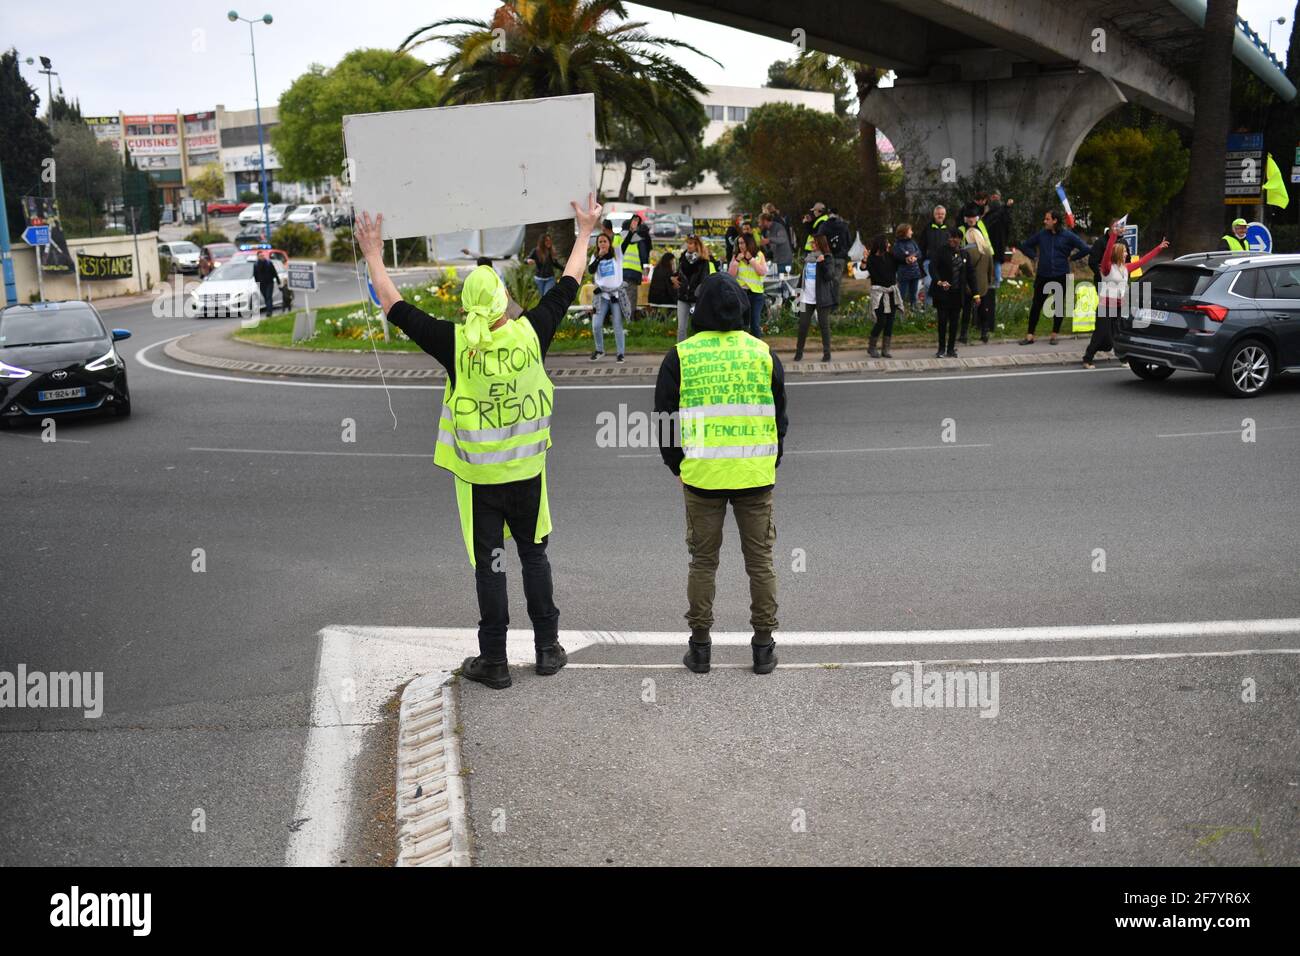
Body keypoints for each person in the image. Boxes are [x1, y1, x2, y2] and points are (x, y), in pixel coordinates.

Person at [353, 195, 602, 690]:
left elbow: (395, 307)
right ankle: (548, 649)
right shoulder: (533, 332)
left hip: (479, 481)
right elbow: (570, 283)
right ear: (504, 300)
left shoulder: (452, 344)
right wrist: (585, 229)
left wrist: (374, 253)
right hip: (527, 476)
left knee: (491, 565)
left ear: (468, 305)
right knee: (534, 556)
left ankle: (494, 661)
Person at [654, 271, 789, 676]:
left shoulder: (681, 355)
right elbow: (780, 417)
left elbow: (665, 418)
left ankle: (700, 650)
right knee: (760, 562)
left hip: (703, 477)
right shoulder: (763, 353)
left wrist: (675, 464)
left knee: (702, 562)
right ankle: (763, 649)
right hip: (755, 474)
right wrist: (770, 459)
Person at [1084, 222, 1169, 368]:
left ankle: (1123, 358)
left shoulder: (1126, 268)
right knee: (1101, 334)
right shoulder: (1106, 268)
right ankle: (1088, 358)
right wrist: (1114, 236)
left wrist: (1158, 248)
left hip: (1120, 305)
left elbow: (1143, 260)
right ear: (1117, 253)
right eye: (1124, 252)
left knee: (1119, 333)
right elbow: (1106, 254)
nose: (1126, 254)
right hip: (1106, 305)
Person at [1016, 209, 1091, 345]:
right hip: (1043, 275)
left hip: (1060, 275)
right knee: (1036, 305)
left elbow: (1085, 248)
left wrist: (1072, 257)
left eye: (1047, 219)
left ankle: (1054, 334)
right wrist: (1034, 256)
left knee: (1058, 306)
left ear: (1055, 221)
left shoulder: (1068, 236)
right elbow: (1025, 245)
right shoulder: (1042, 235)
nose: (1045, 221)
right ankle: (1030, 335)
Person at [929, 228, 975, 358]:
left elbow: (971, 275)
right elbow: (932, 267)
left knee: (954, 322)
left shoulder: (964, 254)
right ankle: (941, 348)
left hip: (957, 294)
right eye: (950, 237)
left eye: (955, 237)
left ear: (960, 240)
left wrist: (976, 294)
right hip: (942, 293)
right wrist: (939, 281)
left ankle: (951, 349)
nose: (952, 240)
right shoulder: (941, 251)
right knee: (942, 322)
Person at [794, 235, 836, 362]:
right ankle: (799, 352)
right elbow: (803, 277)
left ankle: (827, 353)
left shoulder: (828, 258)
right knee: (803, 325)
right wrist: (797, 293)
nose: (812, 245)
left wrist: (822, 262)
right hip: (806, 297)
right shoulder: (809, 258)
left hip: (822, 298)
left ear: (820, 244)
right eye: (811, 243)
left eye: (814, 243)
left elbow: (829, 276)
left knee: (824, 326)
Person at [588, 232, 626, 362]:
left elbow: (622, 240)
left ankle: (620, 353)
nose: (602, 244)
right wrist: (599, 257)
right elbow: (591, 270)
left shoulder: (617, 256)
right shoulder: (595, 257)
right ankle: (599, 350)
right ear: (598, 245)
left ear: (609, 243)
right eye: (600, 242)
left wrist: (629, 230)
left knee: (617, 325)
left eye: (605, 241)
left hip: (615, 296)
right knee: (596, 324)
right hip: (601, 296)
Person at [960, 213, 995, 345]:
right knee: (983, 309)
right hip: (983, 285)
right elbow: (990, 269)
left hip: (969, 286)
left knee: (967, 310)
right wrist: (987, 281)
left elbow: (963, 270)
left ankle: (964, 334)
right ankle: (984, 332)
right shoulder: (986, 251)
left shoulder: (965, 252)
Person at [863, 235, 899, 358]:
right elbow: (863, 268)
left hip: (891, 291)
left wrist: (909, 259)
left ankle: (886, 348)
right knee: (881, 320)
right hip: (879, 293)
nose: (889, 245)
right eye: (887, 243)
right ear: (881, 244)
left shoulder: (891, 257)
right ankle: (871, 346)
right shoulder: (872, 259)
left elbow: (901, 261)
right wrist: (864, 259)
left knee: (890, 321)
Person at [675, 235, 716, 342]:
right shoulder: (682, 258)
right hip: (683, 297)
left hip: (696, 298)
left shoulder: (703, 261)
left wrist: (699, 294)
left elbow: (704, 280)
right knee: (681, 328)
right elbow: (678, 274)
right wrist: (673, 278)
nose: (688, 245)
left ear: (697, 245)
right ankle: (680, 351)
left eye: (691, 243)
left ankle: (699, 348)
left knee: (699, 326)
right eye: (687, 243)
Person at [729, 232, 768, 337]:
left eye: (743, 243)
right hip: (741, 294)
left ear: (749, 243)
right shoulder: (736, 256)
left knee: (755, 323)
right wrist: (737, 260)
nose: (740, 246)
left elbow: (763, 272)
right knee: (742, 324)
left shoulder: (759, 255)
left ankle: (757, 349)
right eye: (739, 243)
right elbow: (730, 275)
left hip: (756, 295)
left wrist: (751, 259)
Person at [982, 191, 1014, 285]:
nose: (994, 199)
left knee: (995, 262)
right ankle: (994, 283)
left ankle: (995, 284)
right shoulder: (998, 210)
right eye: (993, 197)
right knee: (993, 262)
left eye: (996, 197)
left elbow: (1007, 224)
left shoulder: (999, 211)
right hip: (994, 240)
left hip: (997, 240)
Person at [920, 205, 949, 305]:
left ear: (945, 215)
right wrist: (921, 264)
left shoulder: (949, 229)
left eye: (942, 214)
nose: (940, 216)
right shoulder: (927, 228)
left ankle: (941, 310)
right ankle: (929, 312)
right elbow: (921, 246)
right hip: (929, 262)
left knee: (944, 286)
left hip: (945, 263)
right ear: (934, 215)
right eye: (938, 214)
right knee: (928, 284)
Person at [892, 223, 923, 312]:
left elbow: (919, 253)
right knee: (901, 295)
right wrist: (906, 259)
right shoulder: (897, 244)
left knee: (913, 295)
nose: (912, 232)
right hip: (904, 274)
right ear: (904, 232)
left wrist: (914, 257)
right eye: (910, 230)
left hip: (915, 273)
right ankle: (899, 313)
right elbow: (897, 257)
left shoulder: (912, 242)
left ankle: (913, 312)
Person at [525, 234, 561, 299]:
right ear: (542, 242)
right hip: (539, 279)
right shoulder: (536, 251)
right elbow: (526, 259)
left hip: (550, 279)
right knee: (542, 298)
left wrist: (565, 269)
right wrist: (528, 260)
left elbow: (556, 264)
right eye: (547, 240)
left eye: (550, 240)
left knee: (547, 296)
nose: (549, 242)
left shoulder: (551, 251)